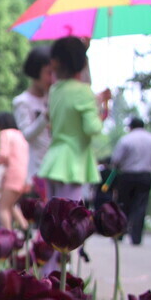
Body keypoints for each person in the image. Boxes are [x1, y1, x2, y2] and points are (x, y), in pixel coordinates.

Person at [39, 36, 108, 274]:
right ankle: (59, 281)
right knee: (68, 228)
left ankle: (47, 274)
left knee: (51, 226)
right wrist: (101, 107)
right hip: (74, 163)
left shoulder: (56, 89)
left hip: (54, 159)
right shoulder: (83, 92)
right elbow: (93, 128)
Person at [111, 117, 151, 245]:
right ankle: (136, 238)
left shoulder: (126, 139)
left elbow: (116, 160)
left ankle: (119, 233)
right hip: (145, 176)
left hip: (127, 176)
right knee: (140, 206)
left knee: (123, 204)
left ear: (130, 127)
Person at [13, 46, 52, 198]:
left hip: (57, 169)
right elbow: (27, 134)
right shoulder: (22, 102)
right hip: (37, 171)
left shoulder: (54, 97)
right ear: (36, 72)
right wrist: (45, 117)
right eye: (48, 73)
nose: (51, 78)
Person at [0, 111, 29, 229]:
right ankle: (24, 228)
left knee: (2, 207)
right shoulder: (21, 135)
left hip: (12, 173)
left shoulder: (5, 133)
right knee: (11, 204)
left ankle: (8, 235)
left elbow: (3, 154)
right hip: (24, 175)